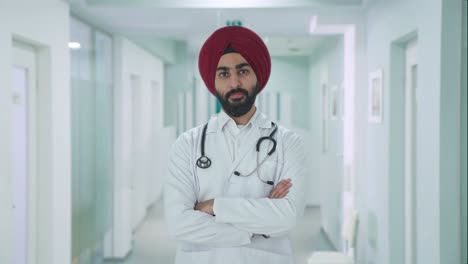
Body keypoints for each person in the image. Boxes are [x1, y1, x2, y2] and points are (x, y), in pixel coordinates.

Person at [164, 26, 306, 264]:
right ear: (213, 80)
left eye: (243, 71)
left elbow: (288, 217)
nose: (234, 82)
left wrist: (214, 206)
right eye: (223, 74)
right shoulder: (187, 145)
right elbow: (178, 223)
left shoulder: (288, 142)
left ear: (257, 75)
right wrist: (255, 225)